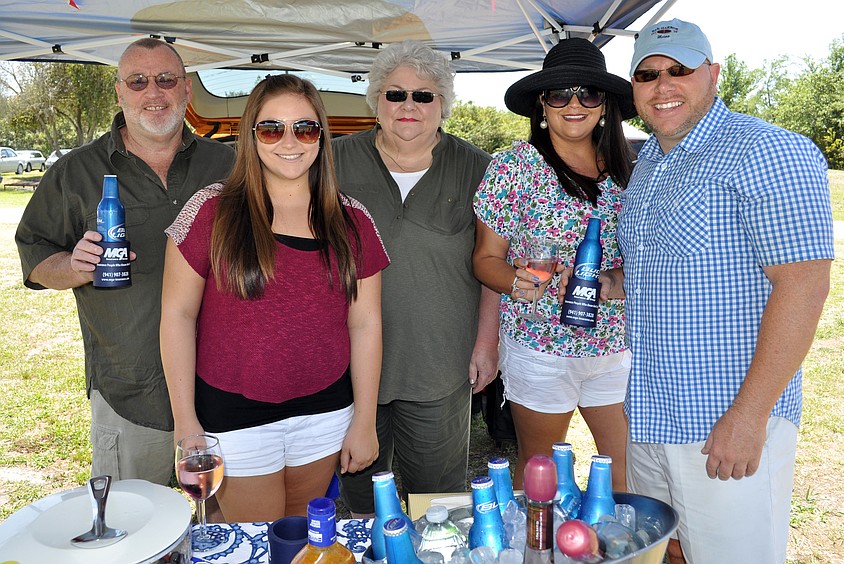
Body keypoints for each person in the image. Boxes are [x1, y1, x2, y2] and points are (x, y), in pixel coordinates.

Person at [621, 19, 833, 564]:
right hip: (649, 414)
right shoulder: (648, 162)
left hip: (722, 419)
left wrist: (749, 415)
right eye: (647, 74)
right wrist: (589, 287)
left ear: (712, 74)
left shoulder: (768, 150)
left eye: (679, 70)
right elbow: (654, 276)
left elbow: (804, 284)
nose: (662, 85)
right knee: (663, 554)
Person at [160, 74, 388, 521]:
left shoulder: (353, 220)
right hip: (234, 418)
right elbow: (177, 316)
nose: (290, 142)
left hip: (325, 415)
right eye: (271, 128)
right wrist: (186, 423)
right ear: (251, 135)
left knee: (299, 536)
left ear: (321, 137)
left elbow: (366, 325)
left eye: (304, 128)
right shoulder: (211, 211)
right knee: (254, 541)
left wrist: (364, 420)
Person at [14, 38, 235, 485]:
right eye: (138, 81)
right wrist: (73, 267)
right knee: (135, 534)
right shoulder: (76, 172)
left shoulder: (229, 165)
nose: (153, 92)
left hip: (227, 389)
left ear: (187, 89)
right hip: (133, 394)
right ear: (119, 92)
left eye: (165, 79)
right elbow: (35, 255)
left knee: (223, 532)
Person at [331, 40, 501, 516]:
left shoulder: (478, 168)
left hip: (439, 365)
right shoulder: (331, 161)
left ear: (443, 103)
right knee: (361, 503)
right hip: (348, 365)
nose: (409, 105)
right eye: (395, 94)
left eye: (424, 96)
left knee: (438, 503)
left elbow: (492, 263)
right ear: (375, 101)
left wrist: (488, 342)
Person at [472, 38, 635, 490]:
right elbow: (485, 260)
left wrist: (610, 283)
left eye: (589, 93)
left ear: (605, 105)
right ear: (542, 104)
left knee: (623, 466)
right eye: (560, 94)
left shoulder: (629, 169)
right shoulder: (513, 165)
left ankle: (614, 554)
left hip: (615, 348)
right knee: (539, 470)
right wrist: (519, 280)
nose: (575, 104)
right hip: (540, 347)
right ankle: (537, 554)